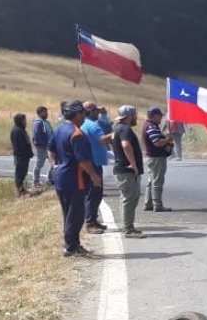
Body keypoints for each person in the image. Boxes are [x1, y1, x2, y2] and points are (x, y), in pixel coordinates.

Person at [49, 99, 102, 258]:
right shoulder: (76, 134)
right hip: (75, 178)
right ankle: (71, 248)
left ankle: (73, 244)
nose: (84, 117)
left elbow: (51, 148)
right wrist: (94, 176)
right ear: (78, 113)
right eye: (83, 114)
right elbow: (84, 160)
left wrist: (54, 165)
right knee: (77, 215)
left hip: (61, 177)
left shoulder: (59, 129)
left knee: (68, 214)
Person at [111, 105, 146, 238]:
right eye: (135, 115)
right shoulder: (125, 129)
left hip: (121, 169)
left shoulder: (116, 128)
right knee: (129, 199)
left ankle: (127, 226)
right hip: (126, 170)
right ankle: (128, 228)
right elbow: (125, 145)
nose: (136, 117)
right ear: (130, 116)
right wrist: (133, 163)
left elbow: (111, 142)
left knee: (128, 198)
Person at [80, 101, 113, 234]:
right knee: (94, 193)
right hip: (94, 162)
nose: (98, 113)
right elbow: (103, 139)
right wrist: (116, 134)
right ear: (91, 112)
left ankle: (92, 218)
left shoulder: (84, 124)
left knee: (91, 193)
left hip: (89, 161)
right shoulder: (93, 125)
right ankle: (90, 222)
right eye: (96, 111)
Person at [141, 106, 173, 211]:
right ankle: (157, 205)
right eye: (160, 116)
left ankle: (148, 203)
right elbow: (157, 142)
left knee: (151, 181)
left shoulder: (150, 125)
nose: (161, 118)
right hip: (156, 158)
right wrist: (167, 140)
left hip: (152, 157)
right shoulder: (151, 126)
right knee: (157, 182)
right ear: (154, 116)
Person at [10, 113, 33, 197]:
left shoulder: (21, 130)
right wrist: (26, 153)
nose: (25, 122)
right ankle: (20, 191)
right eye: (24, 120)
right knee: (19, 174)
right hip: (20, 156)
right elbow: (20, 146)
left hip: (24, 156)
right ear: (19, 121)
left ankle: (23, 189)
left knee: (23, 173)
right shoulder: (16, 131)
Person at [31, 106, 53, 188]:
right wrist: (43, 144)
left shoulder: (46, 122)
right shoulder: (38, 123)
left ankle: (49, 179)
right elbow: (37, 135)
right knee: (39, 164)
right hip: (42, 147)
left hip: (50, 146)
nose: (46, 113)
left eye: (46, 112)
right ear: (39, 113)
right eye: (44, 112)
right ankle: (35, 182)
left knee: (53, 162)